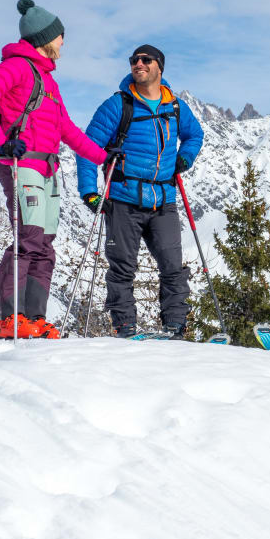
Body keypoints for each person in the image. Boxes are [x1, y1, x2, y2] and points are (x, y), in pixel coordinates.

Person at [0, 0, 113, 339]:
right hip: (21, 165)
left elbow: (67, 130)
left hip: (48, 171)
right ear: (44, 37)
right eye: (60, 36)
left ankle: (33, 317)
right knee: (28, 240)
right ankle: (7, 319)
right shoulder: (16, 67)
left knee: (45, 245)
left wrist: (103, 157)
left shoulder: (48, 82)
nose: (64, 42)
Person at [77, 44, 204, 338]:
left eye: (146, 60)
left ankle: (175, 327)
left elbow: (195, 134)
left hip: (163, 200)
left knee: (173, 267)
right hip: (122, 199)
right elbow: (86, 149)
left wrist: (185, 157)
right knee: (122, 268)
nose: (139, 64)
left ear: (160, 66)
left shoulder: (175, 107)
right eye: (135, 60)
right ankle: (125, 327)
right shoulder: (118, 105)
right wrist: (89, 191)